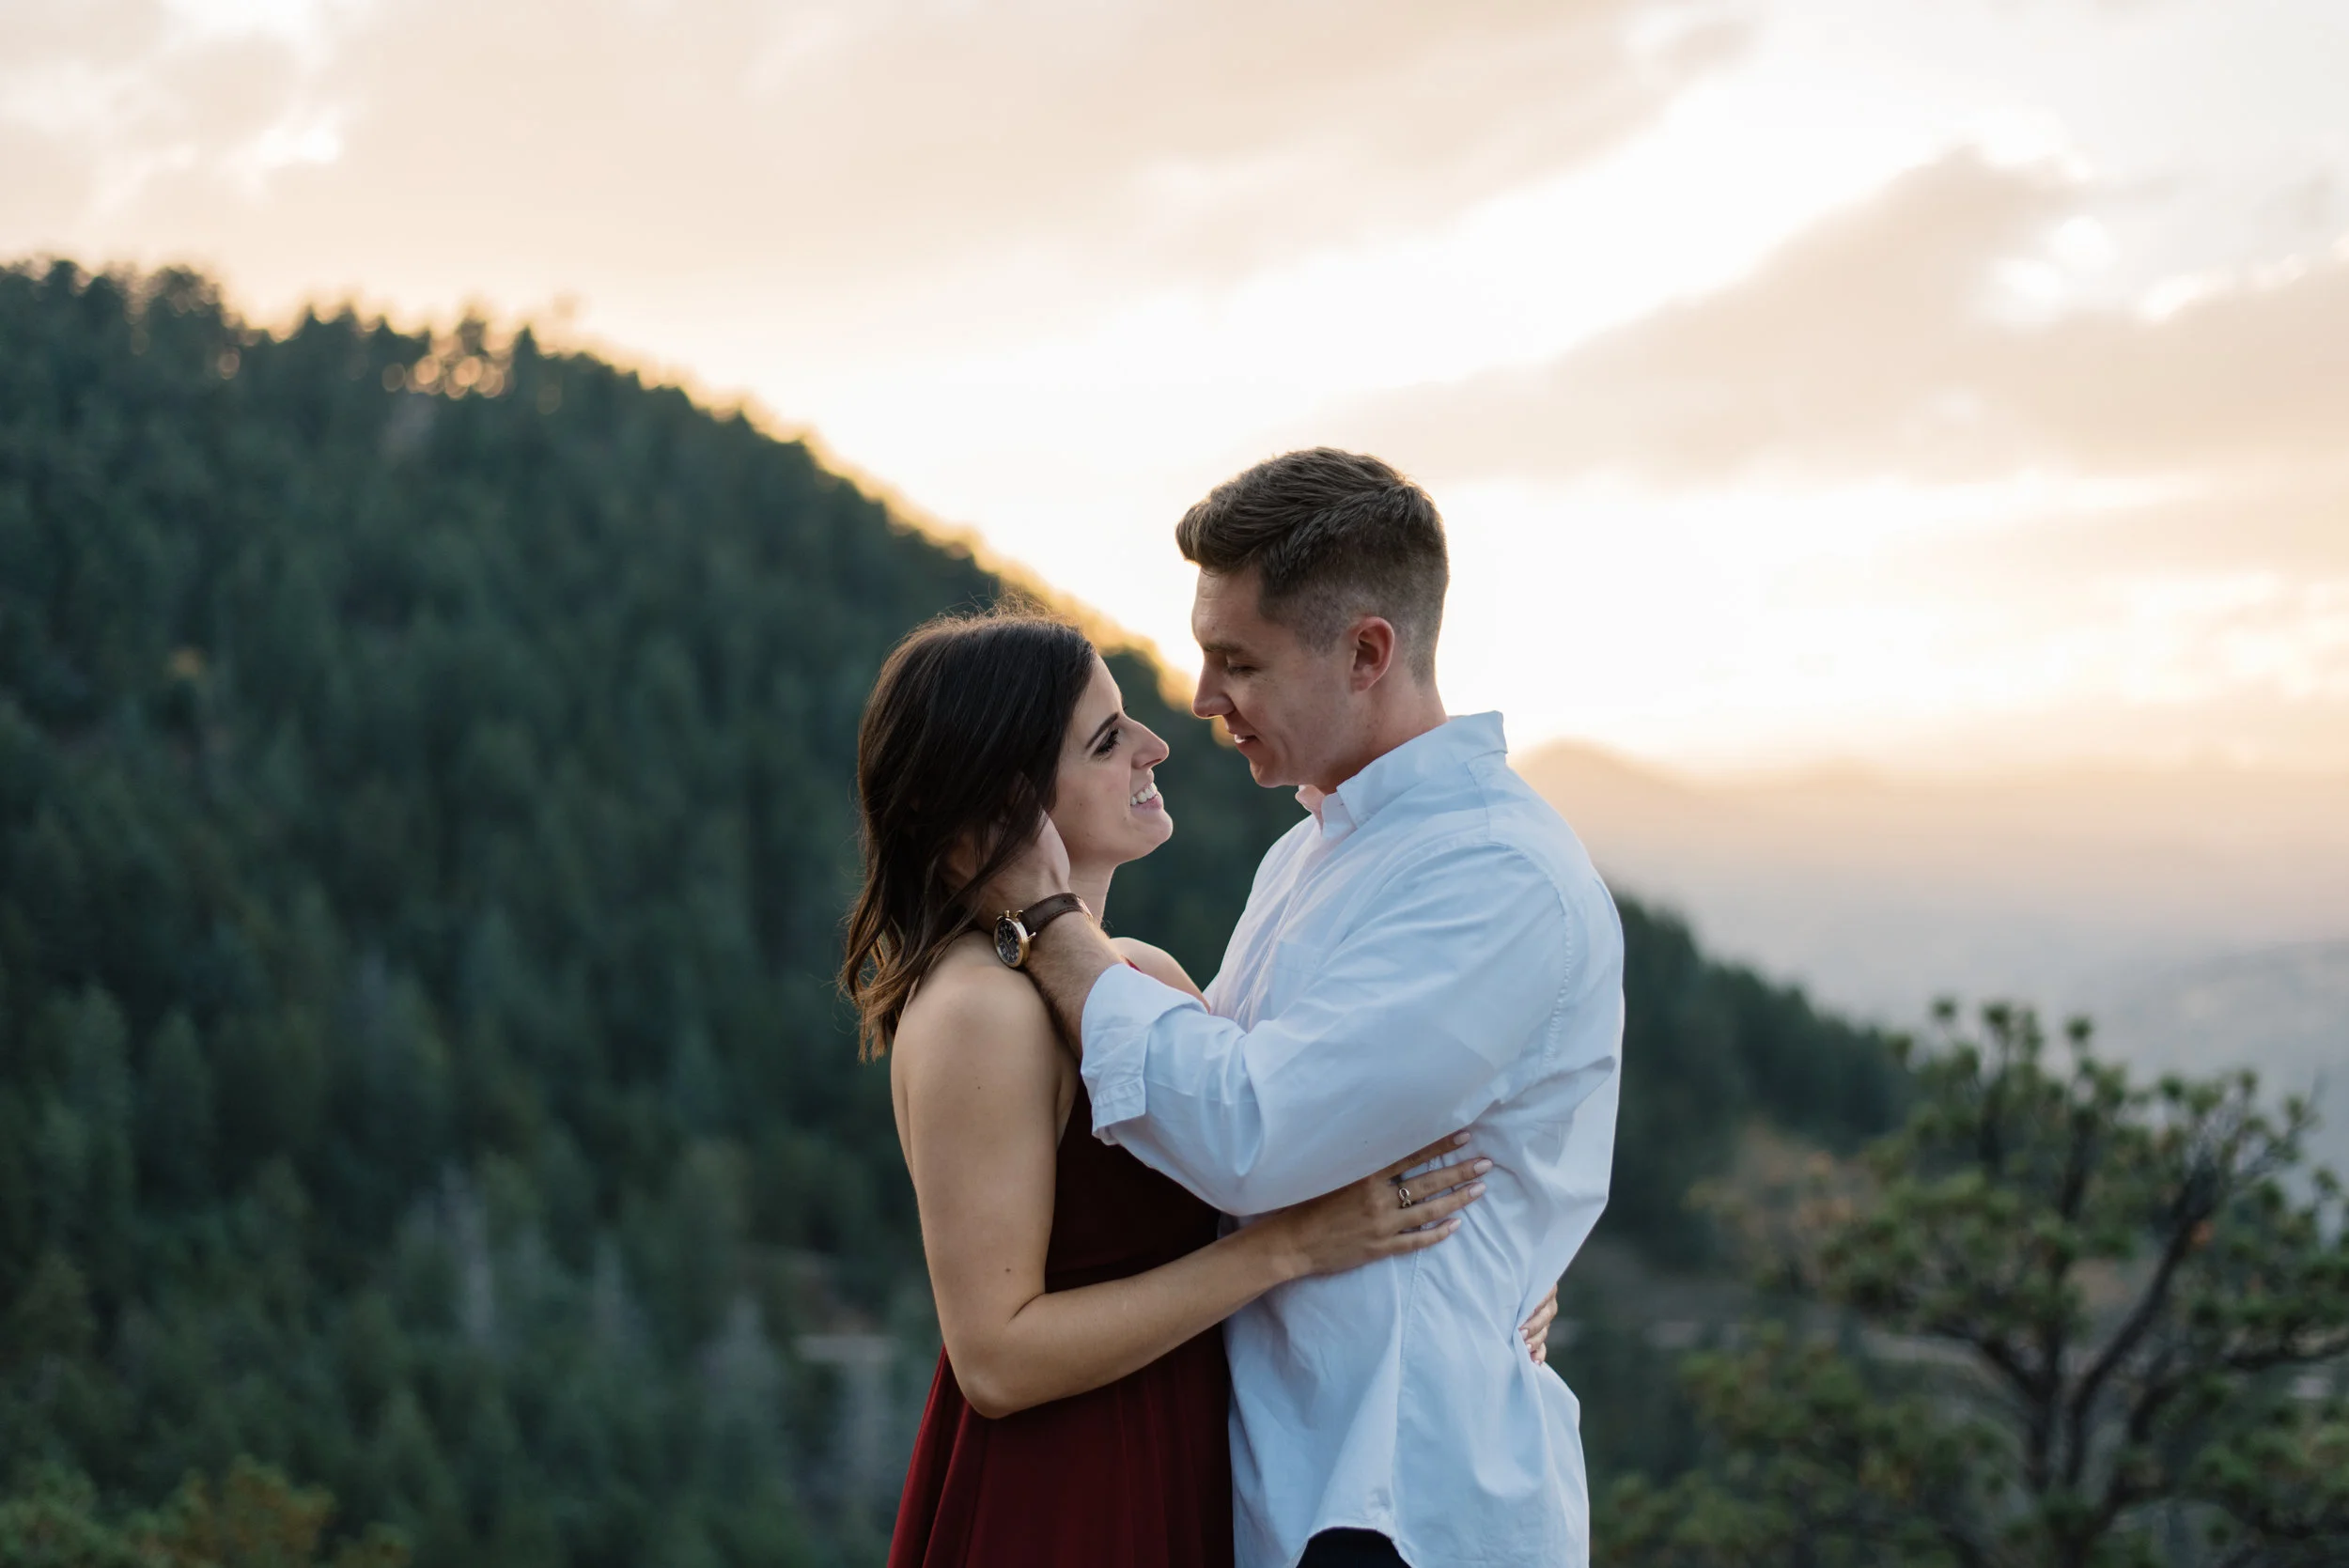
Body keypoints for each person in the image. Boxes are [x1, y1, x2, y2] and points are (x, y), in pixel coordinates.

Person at [994, 449, 1626, 1568]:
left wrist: (1048, 929)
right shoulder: (1307, 854)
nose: (1200, 701)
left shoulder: (1497, 879)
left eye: (1237, 660)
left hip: (1397, 1497)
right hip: (1280, 1479)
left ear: (1366, 652)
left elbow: (1250, 1131)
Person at [845, 613, 1558, 1568]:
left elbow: (1300, 1143)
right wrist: (1289, 1249)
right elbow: (996, 1359)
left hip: (1189, 1455)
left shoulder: (1141, 975)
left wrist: (1497, 1264)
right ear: (1005, 807)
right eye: (1106, 740)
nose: (1154, 744)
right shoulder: (980, 1011)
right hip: (1063, 1494)